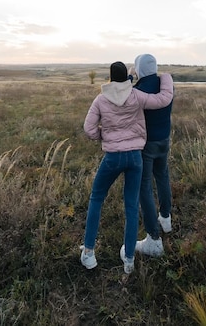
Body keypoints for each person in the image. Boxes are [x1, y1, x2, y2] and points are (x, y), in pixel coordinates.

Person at [80, 61, 174, 274]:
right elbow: (162, 99)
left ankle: (88, 253)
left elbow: (88, 129)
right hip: (135, 159)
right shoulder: (136, 95)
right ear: (128, 77)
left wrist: (104, 136)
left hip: (113, 157)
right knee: (131, 206)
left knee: (96, 198)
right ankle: (129, 260)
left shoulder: (101, 100)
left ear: (110, 78)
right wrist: (166, 77)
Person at [132, 54, 173, 257]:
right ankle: (165, 218)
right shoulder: (166, 87)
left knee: (144, 187)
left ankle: (153, 239)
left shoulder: (138, 91)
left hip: (146, 144)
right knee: (162, 177)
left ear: (138, 68)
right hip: (164, 140)